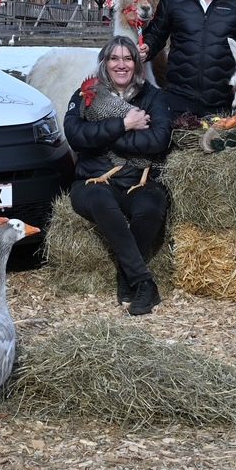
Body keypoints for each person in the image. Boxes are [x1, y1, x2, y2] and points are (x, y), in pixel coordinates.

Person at [64, 36, 173, 315]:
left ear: (137, 64)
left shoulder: (154, 96)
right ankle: (143, 281)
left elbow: (158, 140)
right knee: (102, 201)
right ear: (104, 63)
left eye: (127, 58)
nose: (121, 64)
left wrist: (106, 137)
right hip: (93, 179)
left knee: (151, 206)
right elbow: (76, 137)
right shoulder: (85, 94)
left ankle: (126, 277)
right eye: (114, 58)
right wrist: (123, 125)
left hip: (139, 178)